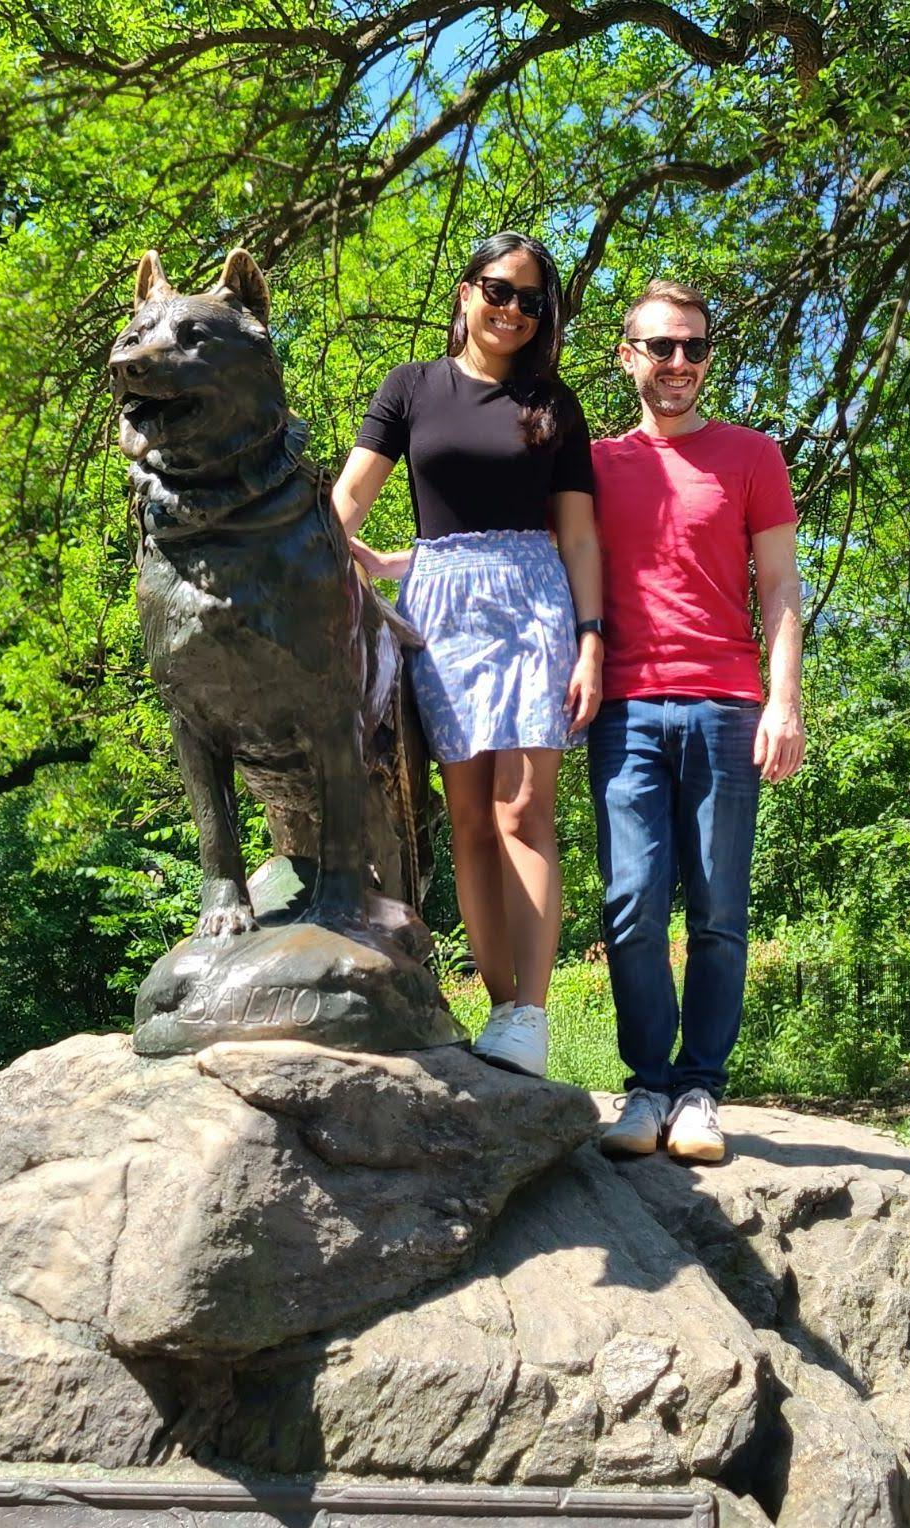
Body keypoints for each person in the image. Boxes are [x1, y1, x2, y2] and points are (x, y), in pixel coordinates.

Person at [330, 233, 604, 1079]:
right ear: (466, 290)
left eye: (532, 300)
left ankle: (531, 1015)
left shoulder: (554, 403)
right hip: (442, 610)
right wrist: (321, 560)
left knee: (524, 811)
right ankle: (497, 1007)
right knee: (469, 819)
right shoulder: (412, 386)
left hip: (534, 605)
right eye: (499, 290)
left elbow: (578, 536)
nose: (513, 310)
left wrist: (591, 639)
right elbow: (349, 498)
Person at [588, 279, 805, 1162]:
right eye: (662, 346)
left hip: (726, 708)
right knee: (632, 905)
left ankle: (699, 1092)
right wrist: (403, 561)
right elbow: (523, 557)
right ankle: (646, 1087)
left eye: (695, 347)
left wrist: (784, 702)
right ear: (627, 356)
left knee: (718, 912)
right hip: (625, 710)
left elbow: (780, 587)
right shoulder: (595, 464)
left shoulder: (752, 455)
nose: (680, 362)